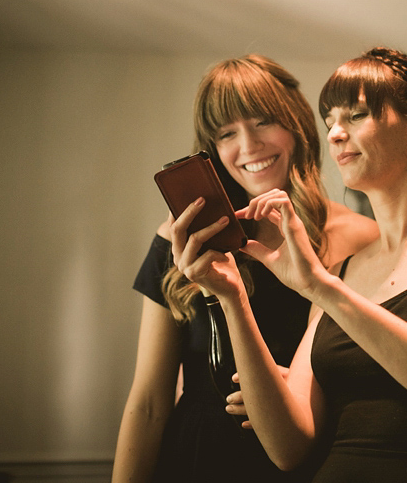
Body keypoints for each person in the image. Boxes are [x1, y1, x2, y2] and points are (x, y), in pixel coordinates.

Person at [171, 47, 407, 482]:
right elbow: (288, 447)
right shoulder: (342, 271)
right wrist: (231, 299)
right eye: (330, 124)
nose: (336, 135)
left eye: (355, 117)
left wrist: (322, 290)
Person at [112, 55, 379, 483]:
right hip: (195, 457)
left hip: (308, 459)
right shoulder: (182, 239)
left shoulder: (360, 239)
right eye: (226, 133)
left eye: (262, 121)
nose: (249, 146)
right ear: (211, 150)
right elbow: (147, 402)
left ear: (296, 126)